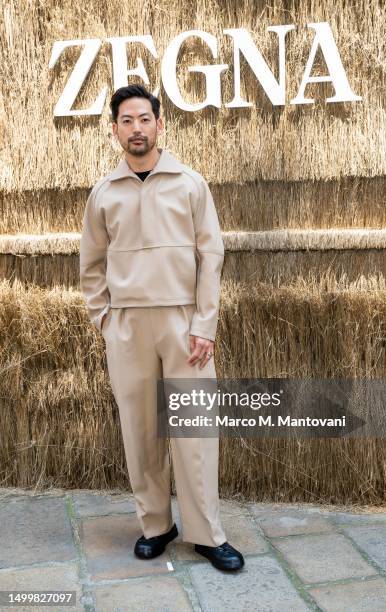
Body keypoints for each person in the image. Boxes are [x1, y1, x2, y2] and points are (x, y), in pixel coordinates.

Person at [79, 84, 244, 572]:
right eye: (126, 121)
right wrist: (104, 319)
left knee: (193, 430)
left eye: (144, 119)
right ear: (114, 130)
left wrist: (205, 324)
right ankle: (155, 525)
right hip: (127, 327)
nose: (136, 128)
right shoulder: (103, 194)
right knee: (141, 431)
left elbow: (211, 256)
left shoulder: (191, 184)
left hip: (184, 324)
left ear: (160, 124)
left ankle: (206, 534)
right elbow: (90, 263)